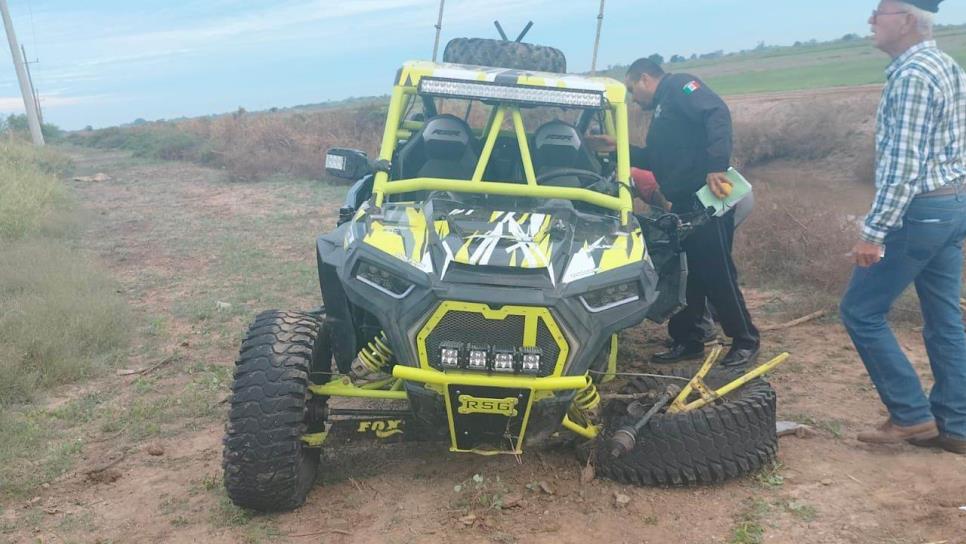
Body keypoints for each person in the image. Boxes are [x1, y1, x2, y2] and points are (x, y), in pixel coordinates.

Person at [840, 0, 966, 454]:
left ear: (908, 20)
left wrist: (874, 233)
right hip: (952, 205)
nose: (871, 21)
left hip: (919, 213)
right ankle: (956, 426)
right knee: (944, 318)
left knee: (860, 311)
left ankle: (911, 416)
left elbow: (903, 168)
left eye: (880, 13)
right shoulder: (945, 63)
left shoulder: (911, 77)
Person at [588, 58, 760, 367]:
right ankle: (688, 338)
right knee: (687, 274)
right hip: (683, 203)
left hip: (705, 198)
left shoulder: (681, 86)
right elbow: (656, 158)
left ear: (644, 79)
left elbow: (717, 113)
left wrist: (717, 165)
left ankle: (745, 339)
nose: (632, 98)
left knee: (717, 272)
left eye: (631, 89)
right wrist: (618, 148)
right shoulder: (663, 109)